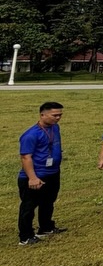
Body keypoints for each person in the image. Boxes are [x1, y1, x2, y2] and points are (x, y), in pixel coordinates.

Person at [17, 102, 66, 245]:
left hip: (52, 173)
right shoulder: (30, 135)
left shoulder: (55, 128)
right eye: (54, 115)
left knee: (48, 202)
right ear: (42, 115)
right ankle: (25, 236)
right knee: (29, 206)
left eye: (60, 115)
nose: (58, 118)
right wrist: (32, 178)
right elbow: (26, 157)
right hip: (35, 175)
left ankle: (45, 227)